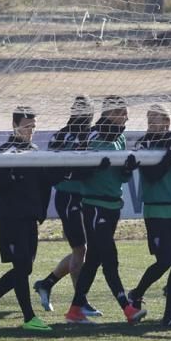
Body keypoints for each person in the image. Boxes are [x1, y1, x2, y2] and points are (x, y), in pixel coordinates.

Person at [63, 95, 145, 325]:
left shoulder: (119, 138)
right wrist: (94, 168)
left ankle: (75, 309)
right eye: (121, 113)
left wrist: (127, 171)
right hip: (95, 206)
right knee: (110, 257)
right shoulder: (91, 136)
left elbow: (119, 175)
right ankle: (127, 308)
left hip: (112, 206)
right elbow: (75, 172)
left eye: (126, 113)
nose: (126, 117)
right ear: (108, 114)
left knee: (94, 260)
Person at [0, 106, 56, 332]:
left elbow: (45, 185)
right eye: (26, 126)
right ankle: (29, 318)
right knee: (21, 268)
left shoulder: (36, 152)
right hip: (11, 219)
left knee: (25, 269)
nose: (30, 130)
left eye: (33, 127)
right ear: (15, 126)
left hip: (30, 219)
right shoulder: (3, 152)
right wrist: (11, 176)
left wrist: (41, 211)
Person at [127, 105, 171, 328]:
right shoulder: (143, 144)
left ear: (167, 121)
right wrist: (170, 156)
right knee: (165, 260)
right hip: (156, 209)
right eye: (151, 119)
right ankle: (136, 293)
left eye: (159, 119)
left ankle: (170, 314)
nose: (155, 123)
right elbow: (152, 175)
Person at [34, 96, 100, 316]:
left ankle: (47, 283)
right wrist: (73, 172)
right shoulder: (64, 135)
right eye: (82, 112)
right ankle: (79, 301)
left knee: (80, 250)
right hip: (69, 197)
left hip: (84, 197)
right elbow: (51, 170)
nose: (86, 117)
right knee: (80, 250)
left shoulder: (88, 134)